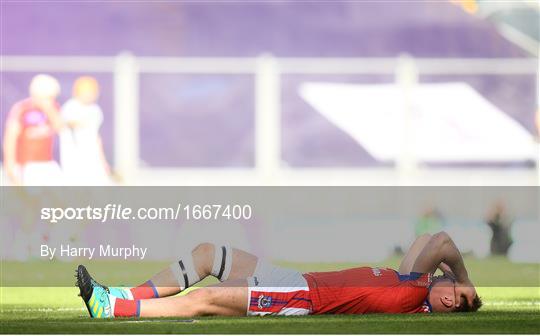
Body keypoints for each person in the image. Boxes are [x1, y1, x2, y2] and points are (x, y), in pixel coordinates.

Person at [76, 231, 482, 318]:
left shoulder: (413, 295)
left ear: (448, 297)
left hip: (301, 298)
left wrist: (462, 276)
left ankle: (112, 308)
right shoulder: (410, 283)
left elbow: (442, 244)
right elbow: (428, 240)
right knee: (207, 255)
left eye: (452, 291)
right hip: (297, 280)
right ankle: (118, 293)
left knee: (206, 300)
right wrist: (450, 276)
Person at [3, 74, 64, 186]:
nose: (51, 100)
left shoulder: (53, 109)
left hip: (47, 163)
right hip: (26, 165)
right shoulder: (22, 109)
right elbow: (10, 138)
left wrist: (49, 109)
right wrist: (10, 164)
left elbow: (60, 127)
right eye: (48, 97)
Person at [60, 76, 111, 185]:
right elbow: (66, 123)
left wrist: (103, 160)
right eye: (86, 91)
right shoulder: (70, 107)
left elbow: (96, 136)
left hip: (93, 158)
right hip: (75, 159)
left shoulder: (95, 110)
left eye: (93, 92)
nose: (90, 95)